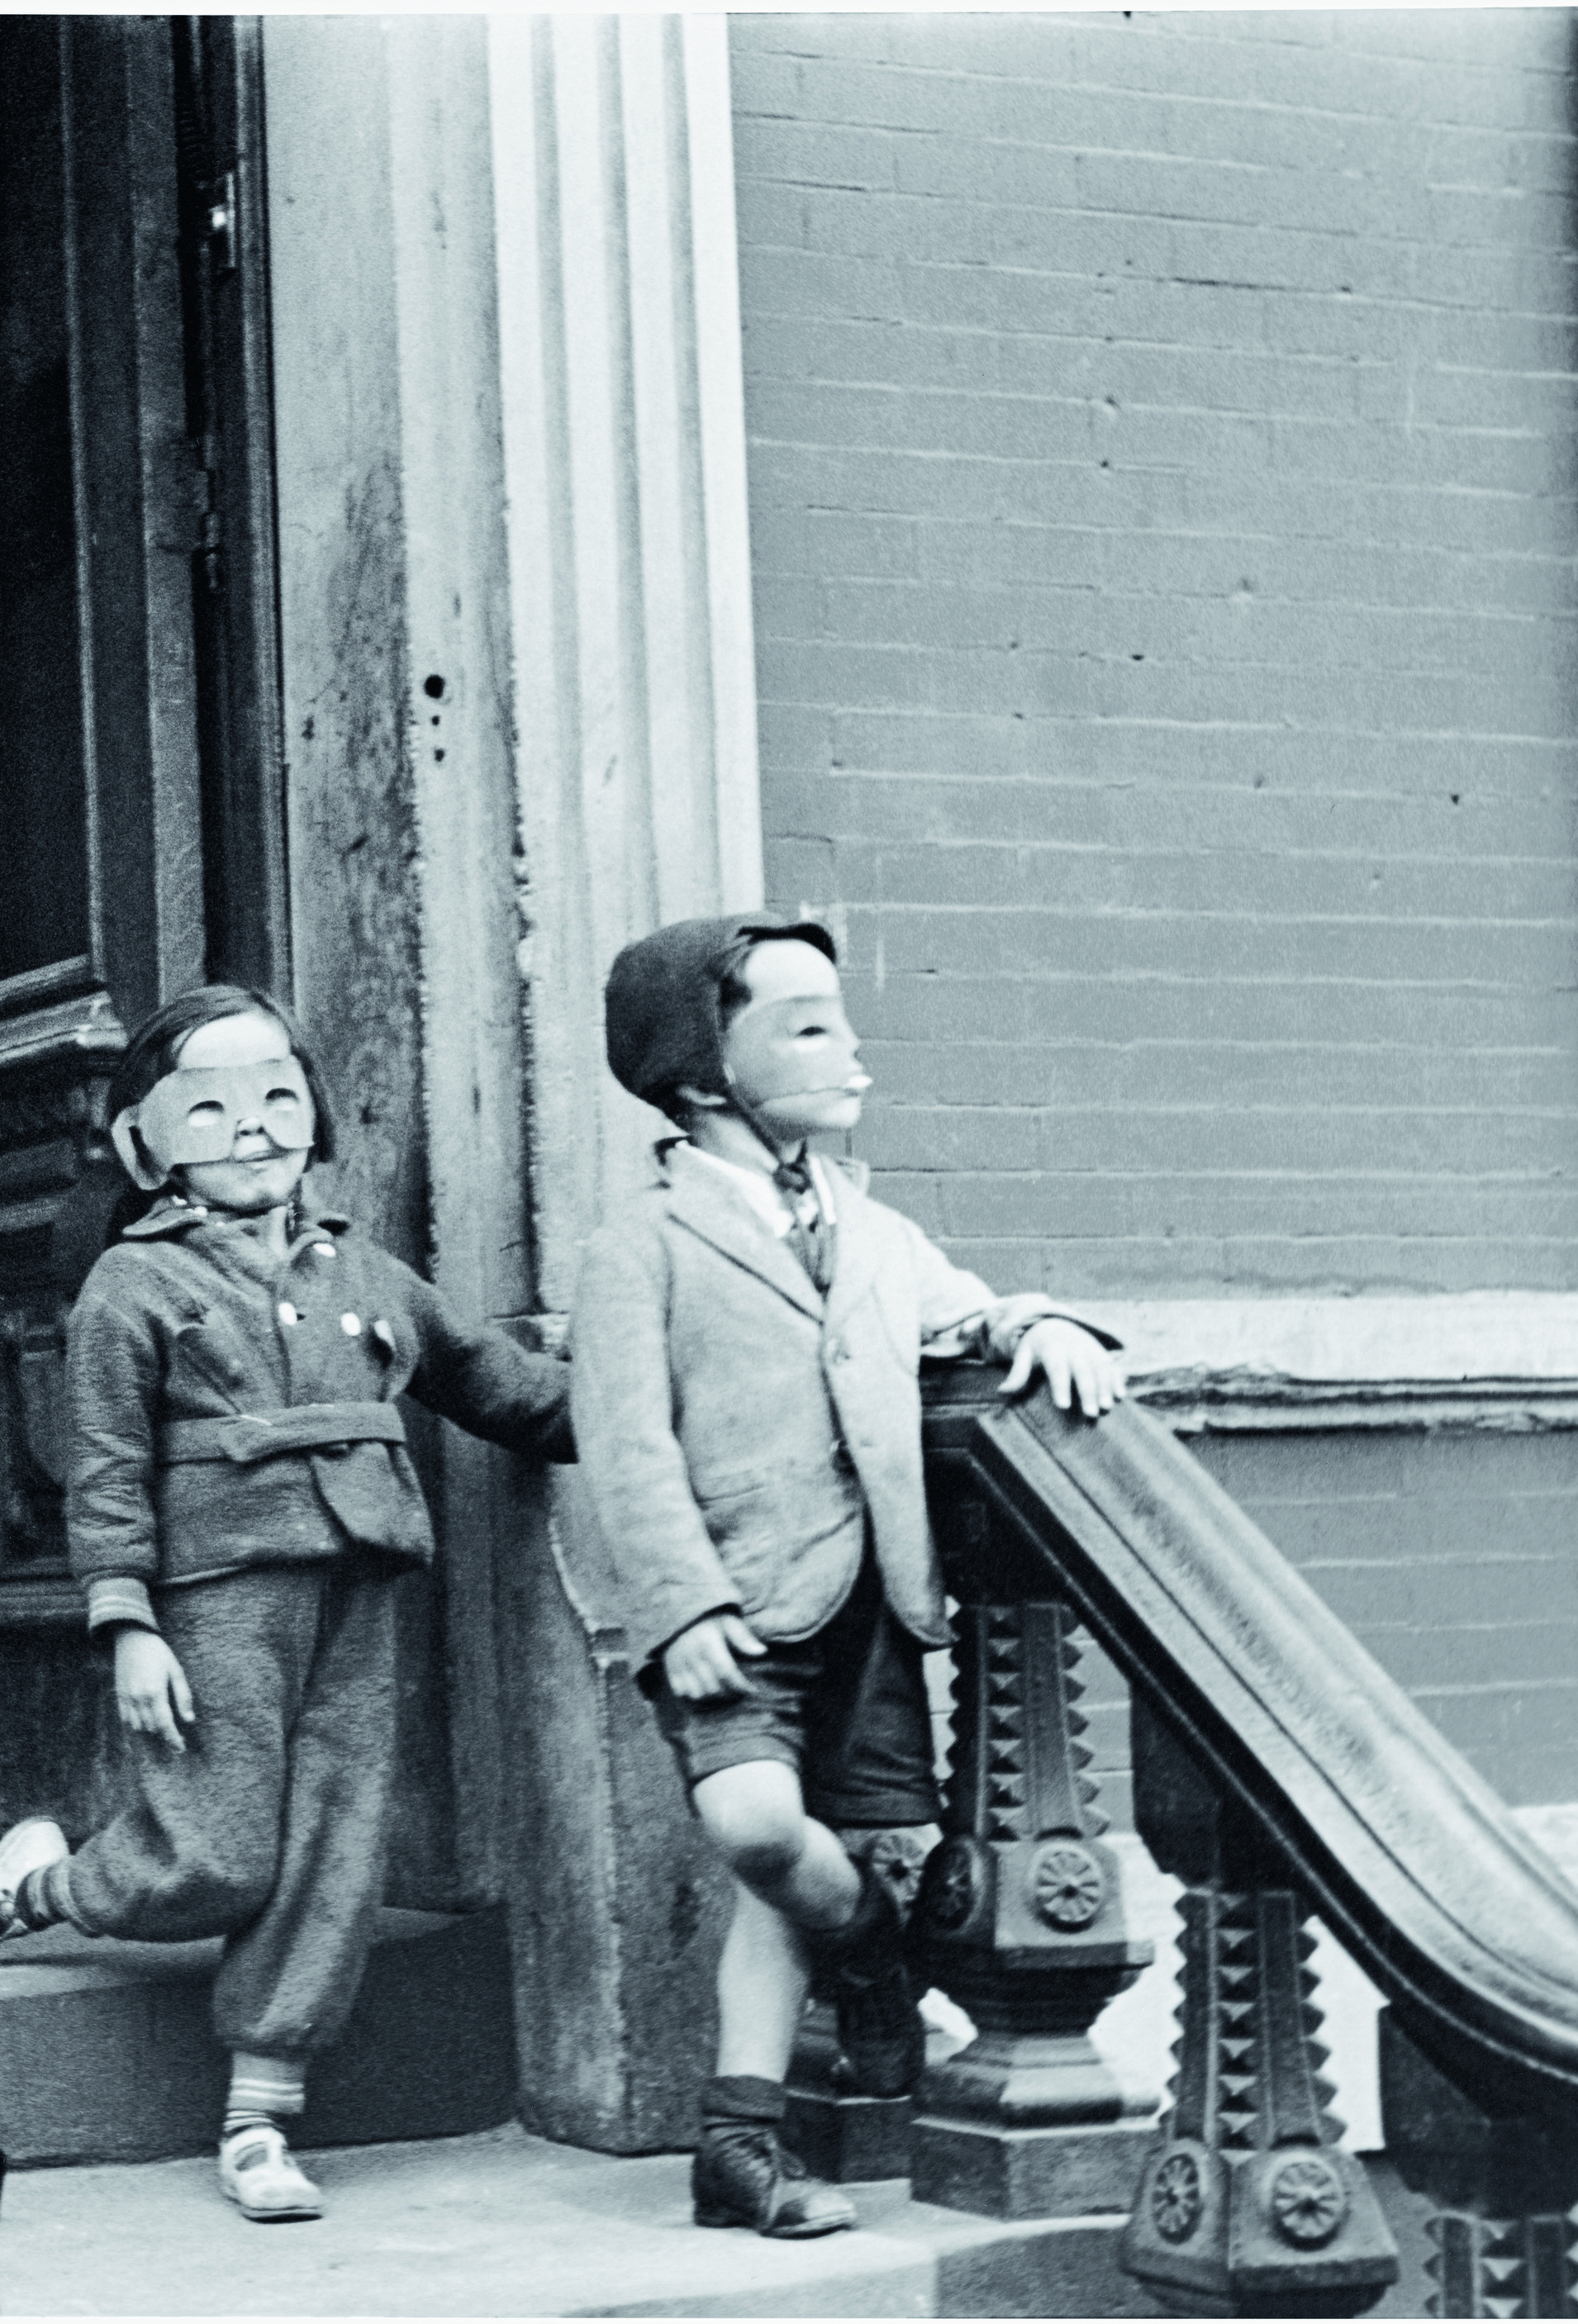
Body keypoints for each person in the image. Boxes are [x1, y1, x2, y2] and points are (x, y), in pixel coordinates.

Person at [0, 986, 576, 2222]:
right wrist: (127, 1621)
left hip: (360, 1587)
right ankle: (42, 1886)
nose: (252, 1127)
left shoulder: (366, 1272)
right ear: (144, 1143)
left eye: (277, 1095)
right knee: (222, 1853)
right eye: (210, 1106)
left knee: (333, 1850)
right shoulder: (133, 1285)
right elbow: (106, 1467)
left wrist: (654, 1404)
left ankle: (261, 2118)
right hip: (217, 1600)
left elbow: (498, 1386)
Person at [564, 914, 1124, 2238]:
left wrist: (1033, 1319)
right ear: (708, 1076)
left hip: (872, 1604)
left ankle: (738, 2149)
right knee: (760, 1829)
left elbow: (958, 1309)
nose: (851, 1047)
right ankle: (874, 1951)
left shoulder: (872, 1229)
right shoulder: (638, 1244)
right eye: (808, 1025)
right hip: (733, 1611)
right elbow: (624, 1444)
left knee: (810, 1858)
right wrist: (682, 1606)